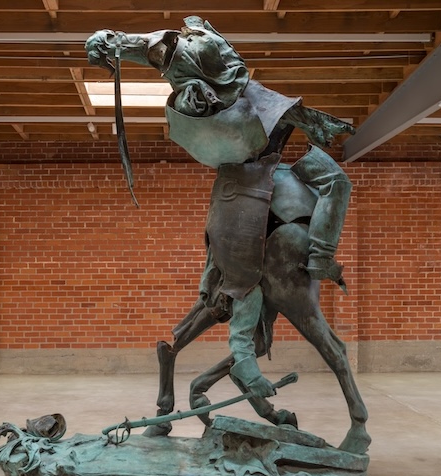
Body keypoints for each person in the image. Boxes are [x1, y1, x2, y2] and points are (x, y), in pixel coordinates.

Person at [86, 17, 355, 398]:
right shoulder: (207, 66)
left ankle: (243, 342)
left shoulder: (225, 76)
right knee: (332, 185)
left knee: (234, 279)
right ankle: (317, 261)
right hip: (243, 189)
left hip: (238, 188)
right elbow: (156, 49)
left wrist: (113, 42)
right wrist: (114, 41)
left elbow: (157, 50)